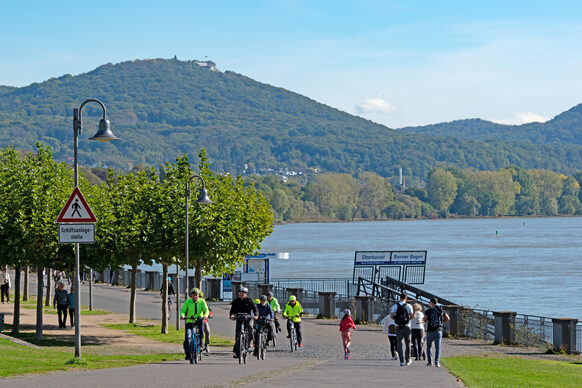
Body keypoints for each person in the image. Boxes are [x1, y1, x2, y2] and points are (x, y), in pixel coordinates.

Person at [180, 288, 208, 360]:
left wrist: (205, 315)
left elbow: (206, 309)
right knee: (188, 336)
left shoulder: (202, 301)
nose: (195, 296)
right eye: (193, 295)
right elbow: (183, 310)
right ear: (191, 295)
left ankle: (201, 345)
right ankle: (188, 353)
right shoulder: (188, 302)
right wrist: (182, 315)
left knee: (201, 332)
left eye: (196, 295)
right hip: (189, 320)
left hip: (199, 320)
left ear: (198, 295)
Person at [229, 287, 258, 358]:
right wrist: (231, 315)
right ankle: (237, 352)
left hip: (248, 318)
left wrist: (256, 315)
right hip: (239, 318)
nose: (241, 294)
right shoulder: (236, 301)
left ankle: (250, 341)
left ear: (246, 294)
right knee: (238, 334)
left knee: (250, 327)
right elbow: (232, 310)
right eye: (240, 293)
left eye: (243, 293)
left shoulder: (249, 300)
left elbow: (255, 308)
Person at [423, 297, 450, 367]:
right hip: (438, 330)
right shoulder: (440, 310)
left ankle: (429, 362)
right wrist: (441, 322)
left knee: (429, 347)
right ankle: (437, 362)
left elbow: (424, 319)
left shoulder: (428, 310)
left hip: (430, 330)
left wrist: (427, 320)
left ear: (431, 303)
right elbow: (448, 318)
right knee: (438, 347)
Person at [390, 292, 415, 366]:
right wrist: (408, 320)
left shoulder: (395, 306)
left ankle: (401, 361)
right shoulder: (409, 306)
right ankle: (407, 360)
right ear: (406, 298)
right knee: (408, 343)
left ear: (400, 298)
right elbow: (412, 316)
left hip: (398, 326)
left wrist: (396, 320)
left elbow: (391, 315)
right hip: (407, 326)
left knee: (399, 343)